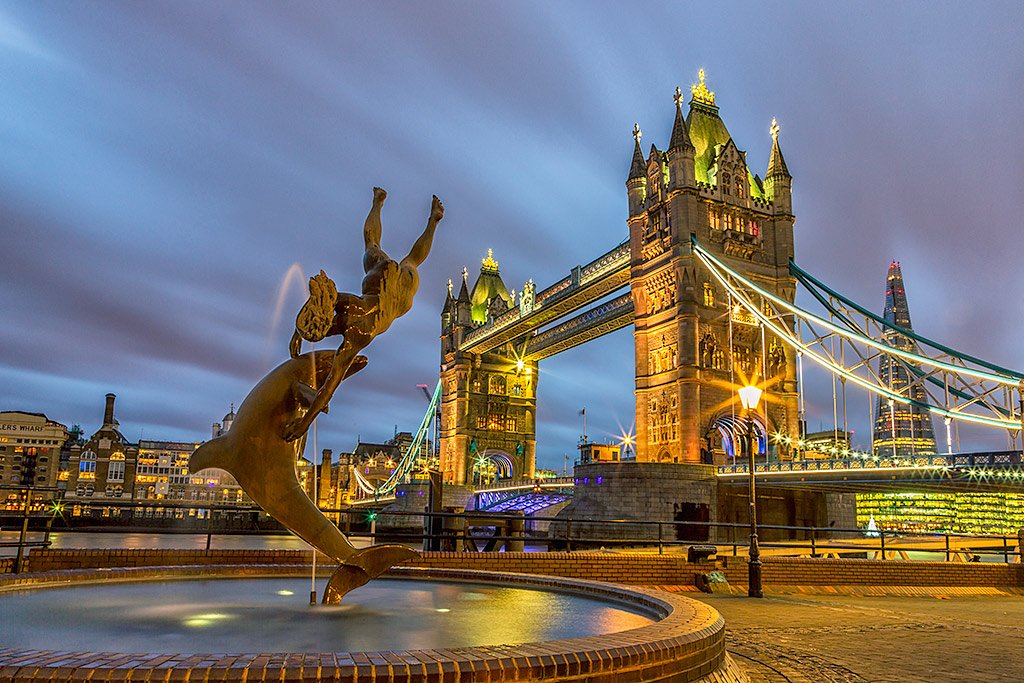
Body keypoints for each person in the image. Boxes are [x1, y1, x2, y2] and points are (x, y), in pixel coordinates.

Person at [283, 187, 443, 441]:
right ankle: (412, 214)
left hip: (398, 296)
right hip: (379, 281)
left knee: (397, 255)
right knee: (393, 254)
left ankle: (403, 211)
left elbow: (330, 386)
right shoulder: (344, 302)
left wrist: (304, 424)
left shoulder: (358, 333)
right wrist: (297, 331)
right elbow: (319, 303)